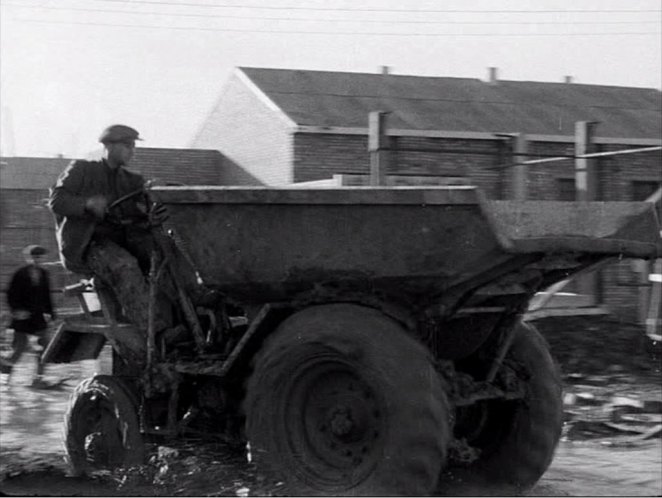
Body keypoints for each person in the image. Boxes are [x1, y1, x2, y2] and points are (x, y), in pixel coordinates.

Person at [47, 124, 174, 339]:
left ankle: (186, 317)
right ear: (108, 146)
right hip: (89, 244)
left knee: (167, 257)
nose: (132, 151)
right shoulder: (82, 169)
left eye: (133, 146)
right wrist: (87, 204)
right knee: (124, 265)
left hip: (126, 241)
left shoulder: (133, 180)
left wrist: (153, 207)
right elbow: (56, 201)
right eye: (127, 146)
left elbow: (142, 212)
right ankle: (156, 333)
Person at [0, 245, 56, 386]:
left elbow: (47, 296)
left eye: (40, 257)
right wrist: (16, 311)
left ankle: (38, 378)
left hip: (38, 317)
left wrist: (51, 313)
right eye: (35, 257)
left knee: (45, 347)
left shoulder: (44, 274)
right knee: (19, 347)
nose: (38, 260)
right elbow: (10, 294)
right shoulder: (20, 274)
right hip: (22, 318)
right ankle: (5, 374)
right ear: (29, 258)